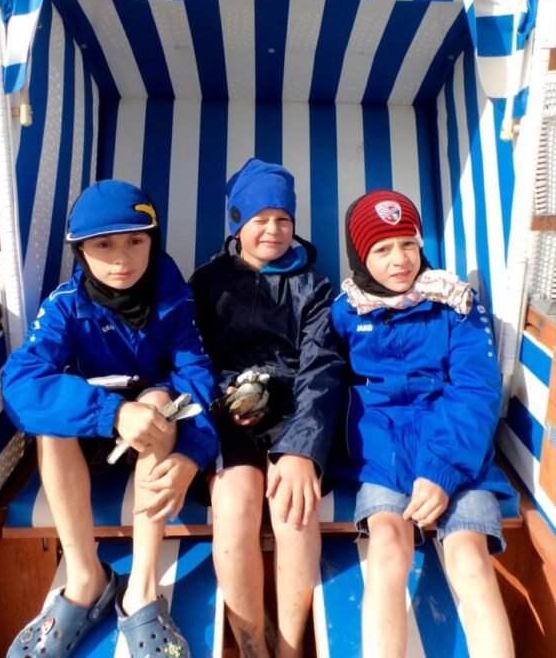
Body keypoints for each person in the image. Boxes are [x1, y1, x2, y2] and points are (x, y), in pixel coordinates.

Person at [2, 179, 218, 658]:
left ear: (152, 242)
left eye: (135, 241)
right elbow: (20, 387)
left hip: (154, 441)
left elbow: (199, 376)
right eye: (104, 245)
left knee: (162, 401)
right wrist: (114, 412)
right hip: (96, 432)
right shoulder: (66, 306)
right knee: (49, 424)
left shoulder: (173, 299)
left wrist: (191, 452)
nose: (122, 258)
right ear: (81, 251)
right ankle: (86, 579)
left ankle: (141, 589)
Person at [331, 189, 515, 658]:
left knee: (470, 558)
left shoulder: (455, 302)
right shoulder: (346, 311)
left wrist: (442, 469)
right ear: (359, 256)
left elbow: (476, 389)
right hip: (381, 449)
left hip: (457, 445)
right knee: (388, 548)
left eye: (407, 244)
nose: (400, 260)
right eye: (382, 249)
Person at [189, 158, 345, 658]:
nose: (273, 230)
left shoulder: (315, 287)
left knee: (293, 508)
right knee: (235, 503)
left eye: (283, 219)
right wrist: (225, 396)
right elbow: (192, 357)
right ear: (237, 224)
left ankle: (291, 645)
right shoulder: (209, 283)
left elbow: (322, 369)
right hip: (229, 411)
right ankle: (253, 644)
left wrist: (303, 450)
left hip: (296, 413)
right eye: (259, 220)